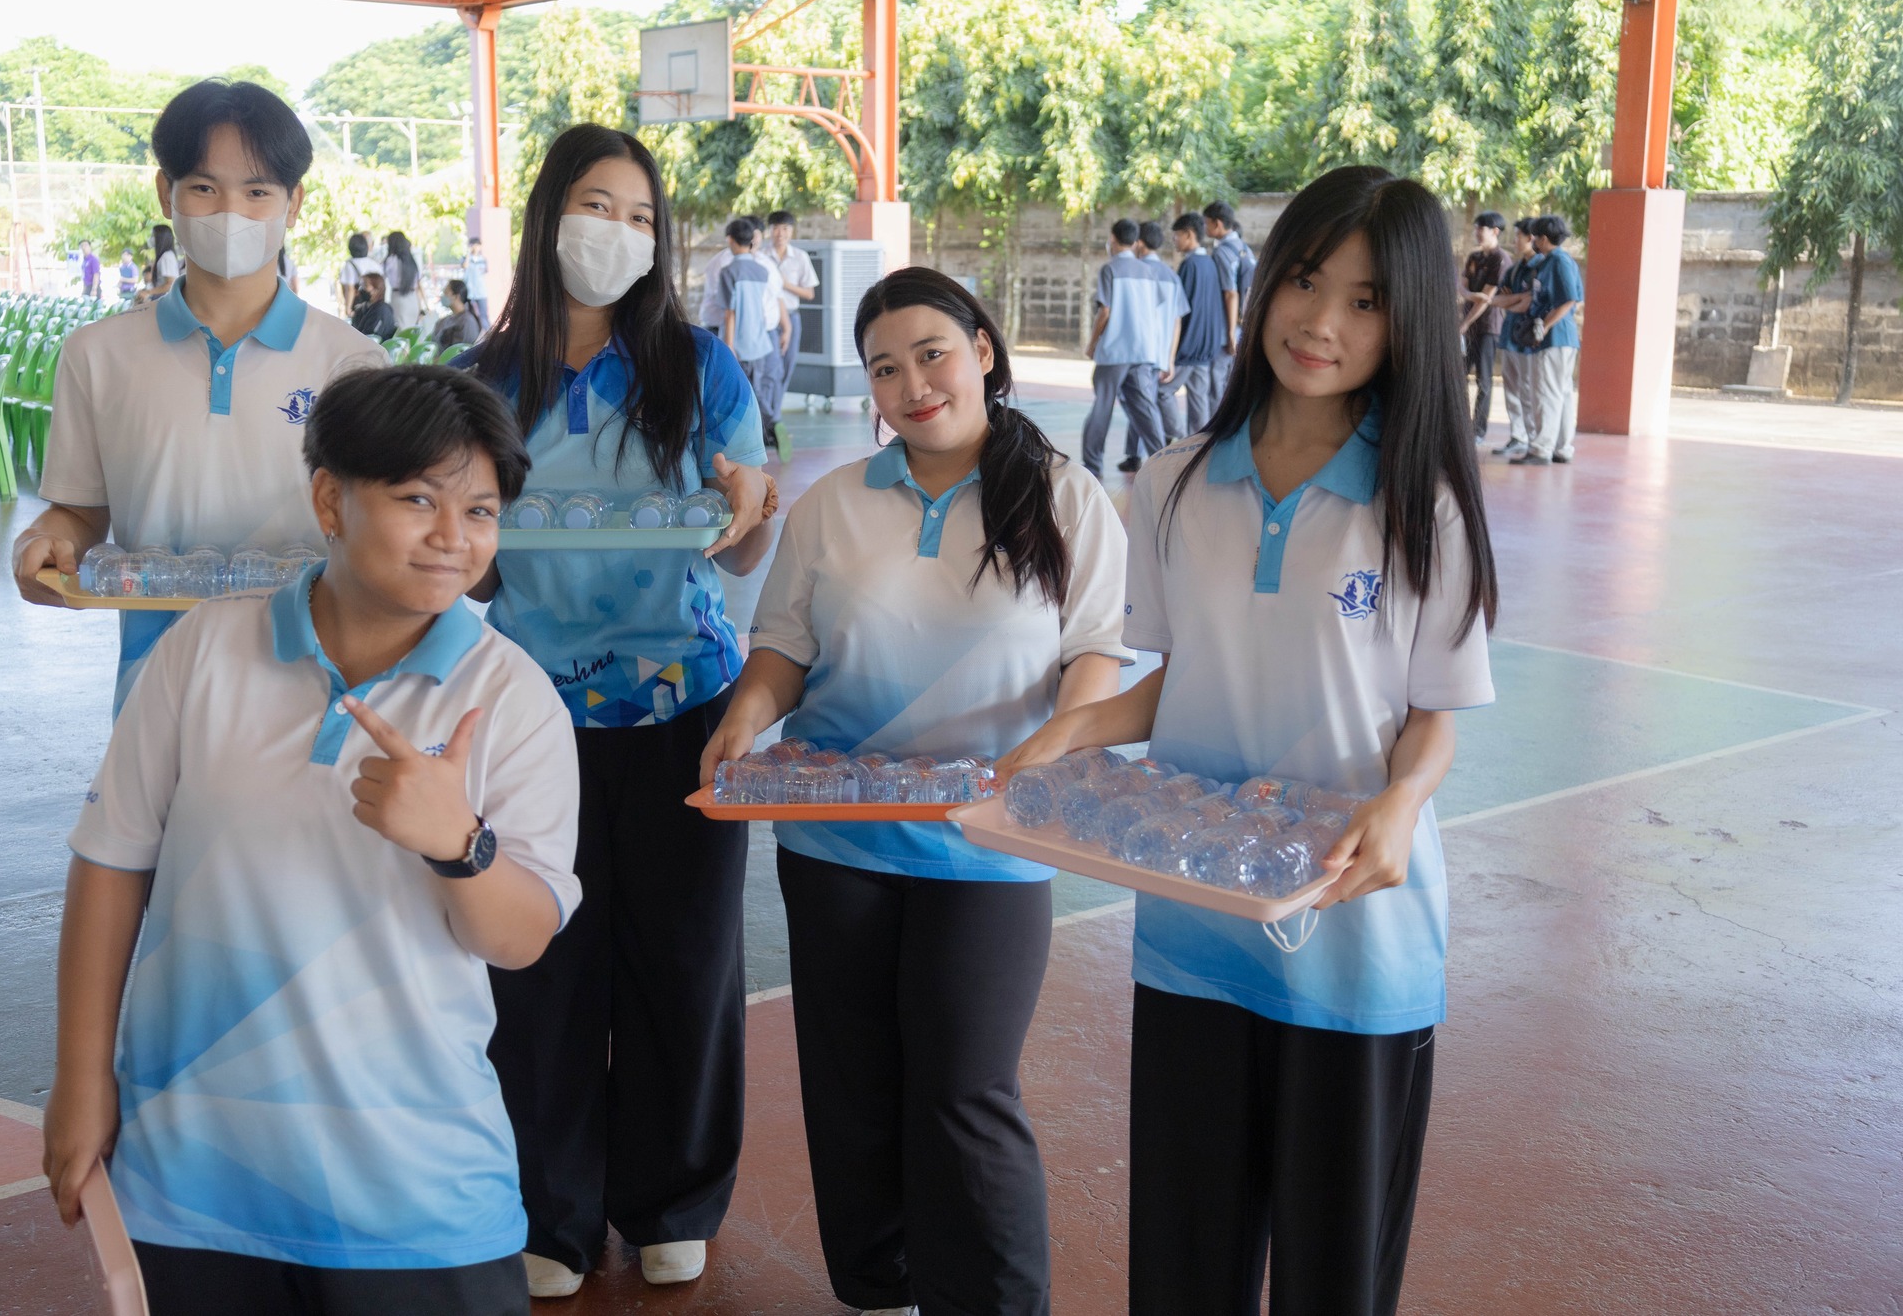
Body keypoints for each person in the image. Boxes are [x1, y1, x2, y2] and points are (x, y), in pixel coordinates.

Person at [1006, 166, 1497, 1316]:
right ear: (1266, 278)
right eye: (1306, 279)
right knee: (1184, 1260)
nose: (1320, 322)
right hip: (1191, 929)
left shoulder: (1422, 499)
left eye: (1366, 300)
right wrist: (1071, 730)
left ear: (1409, 318)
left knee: (1335, 1274)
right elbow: (1177, 683)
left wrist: (1399, 805)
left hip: (1355, 935)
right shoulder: (1172, 482)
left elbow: (1435, 717)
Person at [41, 363, 582, 1316]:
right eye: (418, 500)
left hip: (417, 1190)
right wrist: (80, 1080)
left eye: (482, 511)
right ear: (330, 497)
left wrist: (460, 841)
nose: (453, 538)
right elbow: (110, 861)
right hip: (193, 1175)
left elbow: (521, 937)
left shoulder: (514, 698)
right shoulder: (204, 650)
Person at [704, 267, 1129, 1316]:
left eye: (930, 353)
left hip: (985, 844)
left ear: (982, 349)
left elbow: (1093, 655)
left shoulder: (1065, 496)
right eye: (883, 368)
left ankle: (991, 1301)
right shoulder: (837, 505)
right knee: (850, 1089)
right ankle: (877, 1288)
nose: (911, 384)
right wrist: (744, 717)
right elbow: (782, 647)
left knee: (963, 1090)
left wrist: (1056, 749)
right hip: (833, 840)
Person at [460, 123, 776, 1302]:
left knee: (683, 960)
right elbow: (472, 569)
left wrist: (748, 503)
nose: (619, 235)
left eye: (643, 218)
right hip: (527, 713)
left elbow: (743, 556)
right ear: (551, 218)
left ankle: (671, 1197)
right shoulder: (486, 378)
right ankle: (552, 1209)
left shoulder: (702, 368)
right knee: (538, 962)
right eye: (599, 207)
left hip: (683, 703)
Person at [11, 79, 387, 713]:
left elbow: (376, 525)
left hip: (317, 681)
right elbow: (80, 511)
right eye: (206, 188)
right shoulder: (97, 355)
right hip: (158, 686)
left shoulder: (351, 362)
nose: (231, 212)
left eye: (258, 191)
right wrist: (41, 539)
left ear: (294, 204)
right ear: (168, 193)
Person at [1082, 218, 1170, 479]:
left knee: (1103, 406)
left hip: (1116, 351)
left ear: (1112, 239)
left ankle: (1092, 466)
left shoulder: (1110, 269)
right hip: (1143, 352)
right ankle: (1164, 461)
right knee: (1145, 408)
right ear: (1135, 242)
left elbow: (1105, 310)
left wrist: (1092, 343)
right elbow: (1157, 311)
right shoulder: (1149, 272)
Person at [720, 217, 793, 459]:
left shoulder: (728, 271)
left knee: (741, 393)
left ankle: (746, 445)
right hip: (761, 341)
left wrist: (728, 344)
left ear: (730, 240)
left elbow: (730, 313)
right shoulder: (762, 270)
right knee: (760, 389)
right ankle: (773, 422)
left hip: (739, 342)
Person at [1516, 214, 1582, 466]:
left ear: (1543, 238)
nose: (1532, 241)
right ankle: (1562, 447)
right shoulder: (1552, 261)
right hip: (1561, 337)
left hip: (1555, 337)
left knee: (1548, 392)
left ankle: (1541, 449)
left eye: (1534, 236)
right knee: (1561, 393)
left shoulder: (1558, 261)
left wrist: (1544, 326)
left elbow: (1569, 299)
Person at [1169, 212, 1228, 436]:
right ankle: (1199, 447)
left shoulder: (1190, 265)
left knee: (1161, 393)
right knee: (1198, 399)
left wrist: (1175, 347)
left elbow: (1182, 311)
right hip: (1206, 345)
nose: (1174, 240)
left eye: (1177, 236)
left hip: (1189, 345)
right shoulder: (1209, 263)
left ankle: (1179, 440)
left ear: (1188, 234)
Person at [1490, 218, 1542, 459]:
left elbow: (1532, 299)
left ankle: (1534, 439)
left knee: (1528, 389)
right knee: (1511, 388)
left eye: (1518, 236)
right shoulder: (1514, 269)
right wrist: (1516, 299)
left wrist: (1517, 299)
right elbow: (1497, 299)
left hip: (1528, 338)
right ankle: (1518, 436)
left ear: (1530, 238)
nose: (1514, 241)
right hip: (1510, 335)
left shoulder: (1541, 266)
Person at [1133, 218, 1188, 447]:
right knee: (1142, 402)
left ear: (1139, 243)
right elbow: (1177, 320)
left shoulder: (1137, 273)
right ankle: (1133, 453)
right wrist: (1170, 359)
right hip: (1162, 354)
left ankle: (1158, 451)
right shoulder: (1172, 276)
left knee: (1141, 404)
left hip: (1140, 353)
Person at [1458, 212, 1508, 442]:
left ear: (1495, 231)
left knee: (1484, 380)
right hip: (1467, 326)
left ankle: (1478, 430)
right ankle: (1458, 424)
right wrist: (1470, 294)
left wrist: (1466, 322)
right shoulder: (1475, 257)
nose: (1477, 232)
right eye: (1476, 227)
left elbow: (1487, 298)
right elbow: (1464, 288)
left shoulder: (1501, 259)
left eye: (1482, 228)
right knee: (1458, 374)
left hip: (1488, 327)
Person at [766, 209, 817, 419]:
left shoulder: (800, 257)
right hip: (769, 319)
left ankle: (773, 416)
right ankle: (770, 418)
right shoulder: (761, 255)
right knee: (770, 369)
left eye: (785, 228)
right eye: (776, 228)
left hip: (792, 316)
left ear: (791, 232)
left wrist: (786, 285)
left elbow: (809, 293)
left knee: (786, 367)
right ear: (770, 231)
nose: (780, 233)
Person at [1204, 201, 1257, 387]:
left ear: (1217, 224)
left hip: (1227, 327)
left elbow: (1230, 294)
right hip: (1245, 323)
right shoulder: (1244, 248)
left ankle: (1218, 417)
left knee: (1216, 382)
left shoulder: (1222, 252)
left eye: (1206, 223)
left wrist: (1230, 332)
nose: (1205, 227)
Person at [385, 230, 423, 331]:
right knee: (411, 331)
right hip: (413, 299)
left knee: (402, 332)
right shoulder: (411, 261)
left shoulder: (391, 260)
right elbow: (418, 285)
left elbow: (381, 273)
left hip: (398, 298)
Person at [433, 278, 485, 350]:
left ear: (456, 296)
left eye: (445, 293)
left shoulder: (467, 321)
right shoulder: (450, 319)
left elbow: (457, 353)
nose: (443, 296)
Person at [338, 232, 377, 316]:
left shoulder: (349, 265)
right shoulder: (374, 263)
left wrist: (348, 309)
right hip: (375, 304)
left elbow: (350, 289)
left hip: (359, 306)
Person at [351, 271, 398, 342]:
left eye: (365, 286)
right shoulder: (361, 309)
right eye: (361, 285)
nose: (361, 289)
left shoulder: (382, 310)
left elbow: (371, 337)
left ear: (376, 290)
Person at [464, 235, 492, 325]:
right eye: (473, 245)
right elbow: (465, 266)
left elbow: (485, 271)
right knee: (470, 315)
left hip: (481, 291)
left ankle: (489, 334)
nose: (475, 248)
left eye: (477, 245)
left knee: (484, 316)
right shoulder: (466, 258)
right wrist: (468, 253)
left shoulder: (483, 259)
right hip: (469, 292)